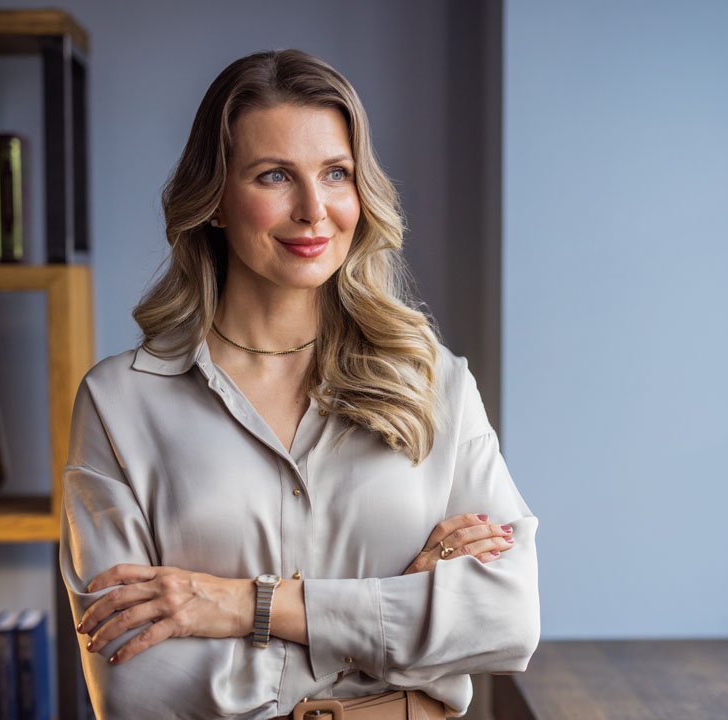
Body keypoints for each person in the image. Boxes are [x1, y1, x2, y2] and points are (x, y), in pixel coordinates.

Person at [60, 49, 539, 720]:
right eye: (275, 175)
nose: (314, 209)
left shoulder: (434, 383)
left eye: (336, 174)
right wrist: (394, 614)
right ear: (217, 200)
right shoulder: (119, 404)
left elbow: (506, 616)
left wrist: (238, 607)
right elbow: (133, 684)